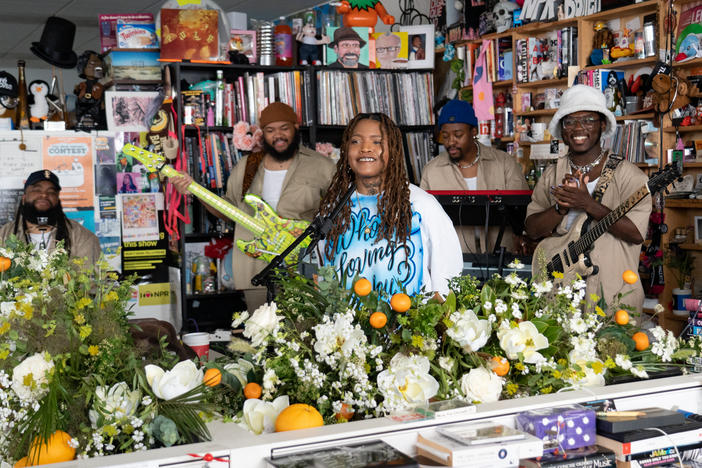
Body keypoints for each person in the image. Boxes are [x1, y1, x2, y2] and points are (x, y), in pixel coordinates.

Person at [170, 102, 337, 312]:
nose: (278, 135)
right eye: (270, 130)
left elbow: (340, 212)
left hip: (304, 266)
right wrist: (194, 190)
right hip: (256, 266)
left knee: (303, 335)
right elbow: (228, 210)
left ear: (296, 127)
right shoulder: (247, 166)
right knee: (262, 333)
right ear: (262, 133)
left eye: (284, 128)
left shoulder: (321, 166)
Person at [525, 85, 651, 311]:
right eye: (569, 121)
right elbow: (532, 230)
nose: (578, 128)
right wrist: (560, 209)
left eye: (588, 120)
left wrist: (588, 204)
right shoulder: (552, 173)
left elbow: (635, 233)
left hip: (614, 295)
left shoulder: (628, 175)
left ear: (603, 125)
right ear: (562, 130)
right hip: (559, 297)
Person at [318, 112, 462, 296]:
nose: (365, 148)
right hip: (346, 323)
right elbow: (325, 281)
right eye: (355, 141)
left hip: (411, 322)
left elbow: (448, 282)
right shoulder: (332, 211)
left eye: (376, 142)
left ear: (393, 149)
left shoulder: (422, 205)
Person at [420, 99, 529, 256]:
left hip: (501, 257)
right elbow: (423, 222)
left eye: (458, 135)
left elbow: (522, 212)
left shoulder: (504, 163)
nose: (451, 141)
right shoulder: (431, 170)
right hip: (453, 259)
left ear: (474, 131)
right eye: (445, 136)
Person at [0, 170, 101, 263]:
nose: (44, 195)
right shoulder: (4, 236)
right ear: (24, 198)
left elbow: (93, 280)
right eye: (37, 190)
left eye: (51, 192)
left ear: (57, 199)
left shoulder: (82, 237)